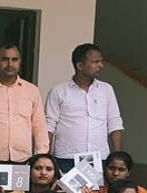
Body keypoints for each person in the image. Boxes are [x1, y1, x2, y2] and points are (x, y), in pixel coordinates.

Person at [45, 43, 123, 171]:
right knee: (64, 191)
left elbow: (114, 123)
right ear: (80, 65)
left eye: (101, 61)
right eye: (95, 62)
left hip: (99, 157)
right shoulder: (58, 91)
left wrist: (118, 158)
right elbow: (49, 125)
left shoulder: (106, 90)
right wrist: (46, 158)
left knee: (97, 191)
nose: (101, 66)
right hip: (66, 157)